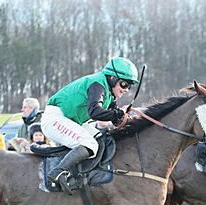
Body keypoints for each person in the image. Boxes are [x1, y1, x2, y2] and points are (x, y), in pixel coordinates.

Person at [42, 57, 138, 193]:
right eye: (124, 84)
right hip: (55, 118)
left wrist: (128, 120)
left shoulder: (110, 94)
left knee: (99, 138)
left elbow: (113, 118)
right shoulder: (98, 84)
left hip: (70, 120)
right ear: (112, 78)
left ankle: (81, 176)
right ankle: (57, 173)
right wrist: (118, 113)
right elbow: (95, 112)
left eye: (129, 86)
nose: (126, 89)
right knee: (90, 144)